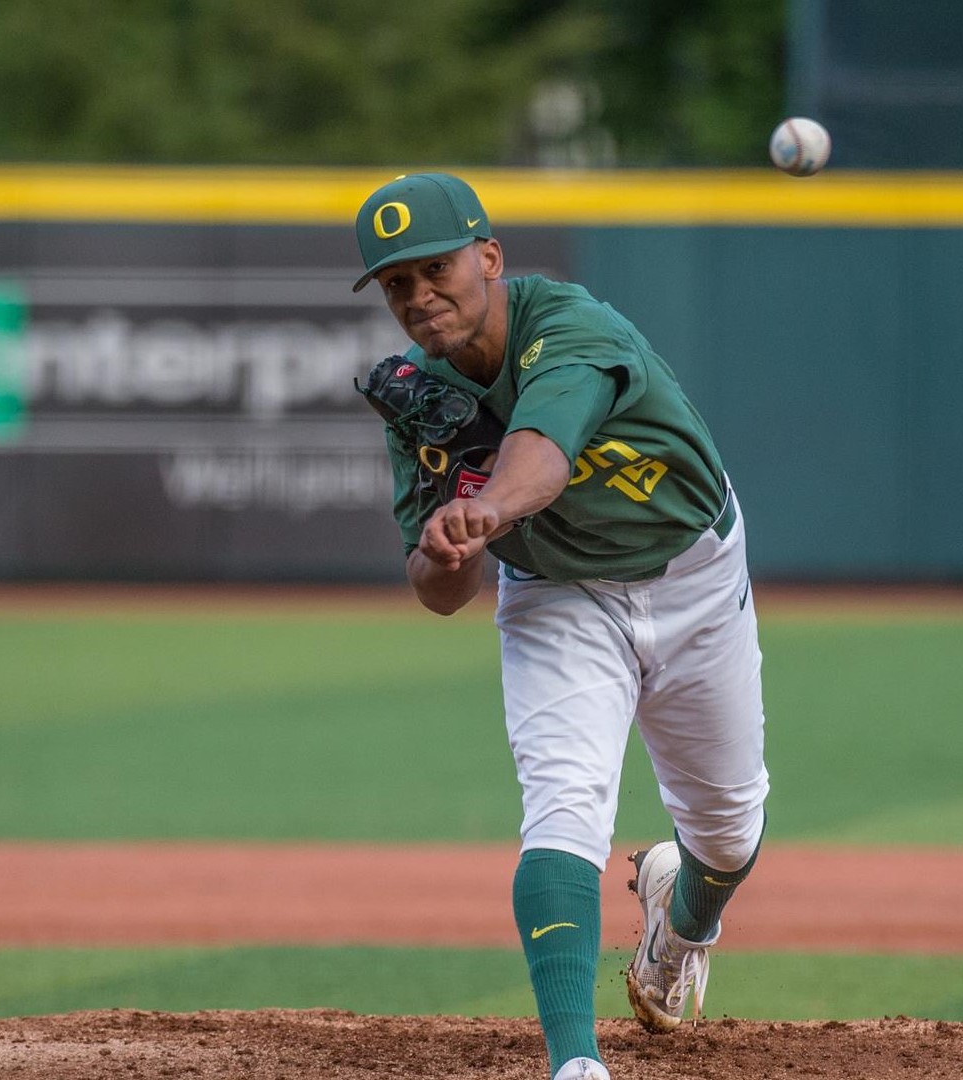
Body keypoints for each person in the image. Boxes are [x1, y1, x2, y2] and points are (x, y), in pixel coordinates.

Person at [351, 173, 769, 1080]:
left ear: (489, 257)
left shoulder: (570, 326)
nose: (420, 297)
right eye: (396, 285)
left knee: (730, 831)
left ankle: (682, 914)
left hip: (694, 575)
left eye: (436, 269)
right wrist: (445, 546)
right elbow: (437, 591)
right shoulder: (420, 400)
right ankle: (575, 1065)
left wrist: (483, 509)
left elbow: (538, 463)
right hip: (558, 594)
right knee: (564, 808)